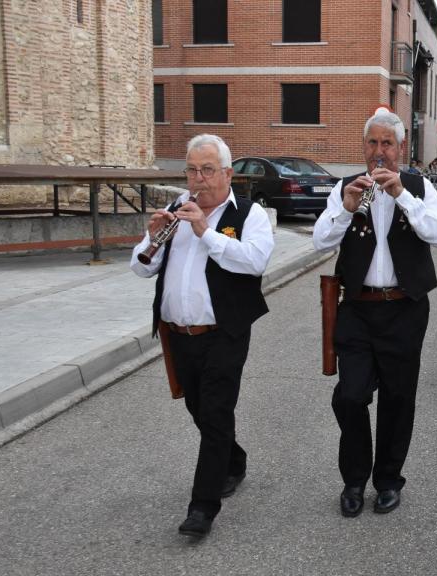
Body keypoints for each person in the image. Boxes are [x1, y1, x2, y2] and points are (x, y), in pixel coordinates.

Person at [130, 134, 275, 538]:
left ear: (227, 173)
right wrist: (153, 237)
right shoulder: (176, 211)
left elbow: (254, 261)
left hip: (224, 333)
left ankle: (202, 508)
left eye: (208, 170)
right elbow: (140, 269)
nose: (198, 179)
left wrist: (204, 232)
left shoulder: (249, 215)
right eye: (192, 170)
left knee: (214, 413)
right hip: (178, 335)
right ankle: (233, 459)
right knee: (200, 410)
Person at [313, 109, 437, 518]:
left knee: (397, 398)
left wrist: (402, 197)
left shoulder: (419, 186)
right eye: (372, 144)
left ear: (401, 148)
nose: (379, 153)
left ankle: (388, 479)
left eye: (387, 144)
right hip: (358, 308)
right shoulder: (344, 188)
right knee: (350, 397)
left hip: (405, 309)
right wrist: (345, 207)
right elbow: (320, 242)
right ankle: (354, 479)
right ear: (364, 148)